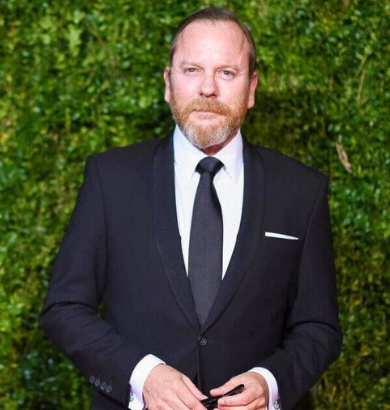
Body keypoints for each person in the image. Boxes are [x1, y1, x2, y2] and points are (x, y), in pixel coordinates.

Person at [39, 7, 341, 410]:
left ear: (251, 89)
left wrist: (270, 383)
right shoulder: (110, 179)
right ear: (168, 83)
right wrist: (142, 376)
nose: (208, 89)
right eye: (192, 70)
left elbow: (318, 327)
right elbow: (64, 308)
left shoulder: (301, 190)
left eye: (227, 73)